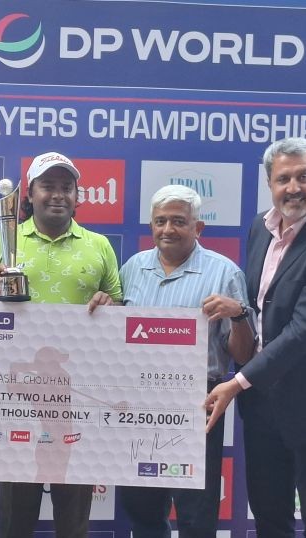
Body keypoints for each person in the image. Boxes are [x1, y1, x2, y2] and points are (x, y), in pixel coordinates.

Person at [205, 137, 306, 538]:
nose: (293, 188)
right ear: (269, 183)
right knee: (269, 518)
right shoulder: (259, 228)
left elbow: (303, 330)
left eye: (303, 177)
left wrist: (237, 382)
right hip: (263, 404)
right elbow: (261, 307)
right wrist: (239, 313)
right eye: (283, 179)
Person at [0, 151, 123, 538]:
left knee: (74, 519)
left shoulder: (99, 245)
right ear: (30, 194)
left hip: (77, 396)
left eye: (67, 187)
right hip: (18, 401)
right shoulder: (5, 241)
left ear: (78, 196)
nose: (58, 194)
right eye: (48, 186)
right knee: (15, 518)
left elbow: (119, 302)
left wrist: (110, 303)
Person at [118, 185, 255, 538]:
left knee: (196, 517)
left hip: (197, 402)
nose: (168, 229)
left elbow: (243, 355)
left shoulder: (224, 273)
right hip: (138, 402)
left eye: (178, 221)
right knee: (142, 513)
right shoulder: (132, 268)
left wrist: (239, 315)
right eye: (160, 221)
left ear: (198, 227)